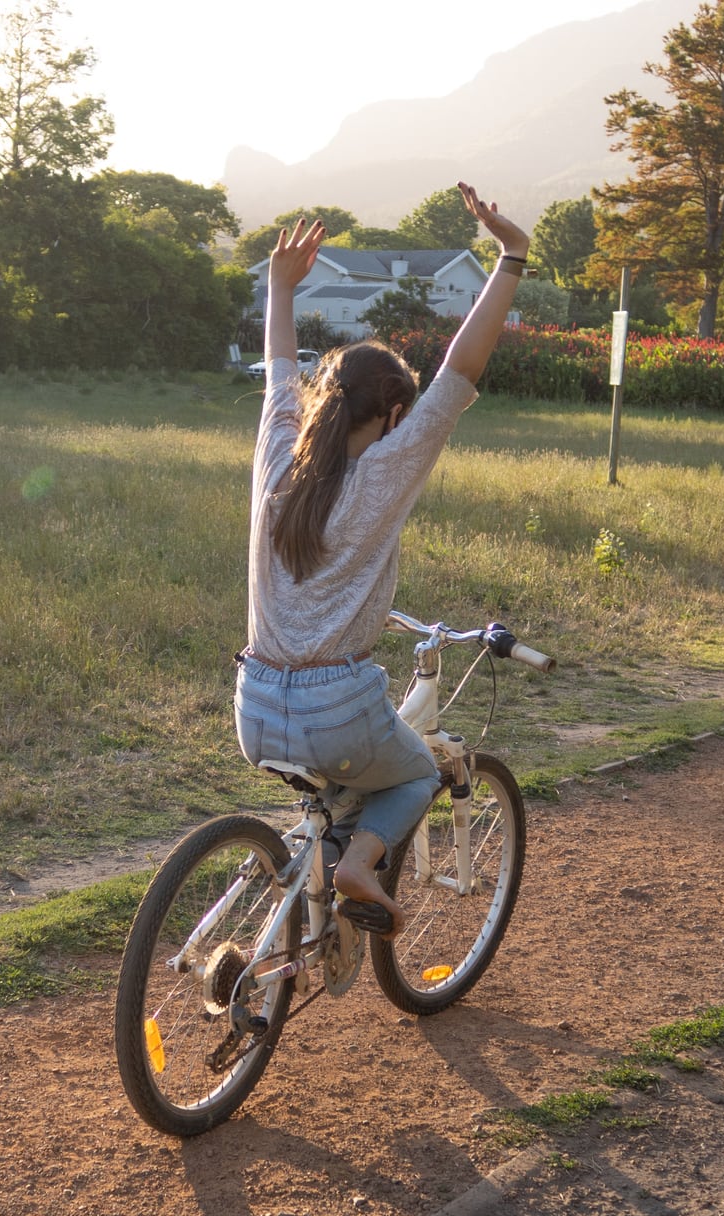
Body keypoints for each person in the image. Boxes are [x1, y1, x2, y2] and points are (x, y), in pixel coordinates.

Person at [236, 182, 530, 934]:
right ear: (394, 414)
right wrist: (510, 257)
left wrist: (279, 285)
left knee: (335, 782)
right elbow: (460, 371)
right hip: (337, 707)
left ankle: (298, 904)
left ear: (320, 400)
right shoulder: (386, 473)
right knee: (414, 778)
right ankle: (358, 865)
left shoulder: (277, 457)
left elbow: (277, 368)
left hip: (254, 706)